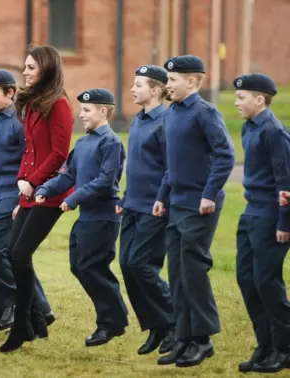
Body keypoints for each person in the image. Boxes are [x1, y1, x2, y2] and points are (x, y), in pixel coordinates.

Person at [154, 55, 235, 367]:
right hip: (176, 204)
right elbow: (173, 163)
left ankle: (202, 340)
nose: (168, 85)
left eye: (173, 80)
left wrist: (209, 194)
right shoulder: (172, 112)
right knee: (176, 274)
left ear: (191, 81)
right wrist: (163, 195)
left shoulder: (205, 113)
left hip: (200, 205)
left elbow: (225, 155)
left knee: (193, 272)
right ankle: (184, 339)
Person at [35, 88, 128, 348]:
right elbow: (68, 175)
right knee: (80, 266)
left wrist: (73, 199)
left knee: (91, 267)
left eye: (87, 110)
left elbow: (105, 181)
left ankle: (110, 322)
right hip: (87, 217)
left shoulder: (110, 143)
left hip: (104, 217)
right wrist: (45, 188)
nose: (81, 115)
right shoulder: (84, 143)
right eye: (82, 110)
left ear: (104, 111)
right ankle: (115, 318)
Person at [0, 69, 54, 333]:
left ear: (11, 93)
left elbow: (35, 159)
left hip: (14, 196)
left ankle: (16, 305)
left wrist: (25, 196)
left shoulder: (21, 121)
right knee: (10, 254)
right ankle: (41, 309)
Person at [0, 45, 73, 353]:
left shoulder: (59, 105)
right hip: (29, 190)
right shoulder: (32, 103)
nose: (25, 71)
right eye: (25, 66)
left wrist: (33, 182)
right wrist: (21, 180)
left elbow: (58, 153)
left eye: (31, 67)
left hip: (50, 193)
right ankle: (36, 318)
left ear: (47, 68)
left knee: (19, 254)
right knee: (9, 250)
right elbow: (30, 149)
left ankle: (22, 326)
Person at [116, 65, 175, 355]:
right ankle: (156, 325)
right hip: (132, 205)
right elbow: (138, 167)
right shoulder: (138, 120)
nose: (132, 88)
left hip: (155, 207)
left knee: (142, 265)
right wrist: (123, 199)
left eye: (139, 84)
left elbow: (171, 168)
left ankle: (173, 321)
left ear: (156, 89)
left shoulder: (166, 122)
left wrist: (162, 199)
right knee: (127, 264)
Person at [234, 73, 290, 373]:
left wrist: (284, 223)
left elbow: (286, 182)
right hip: (251, 212)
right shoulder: (249, 127)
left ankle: (284, 349)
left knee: (268, 284)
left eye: (241, 98)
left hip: (271, 215)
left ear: (260, 99)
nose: (236, 102)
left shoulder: (274, 131)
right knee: (247, 280)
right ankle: (265, 346)